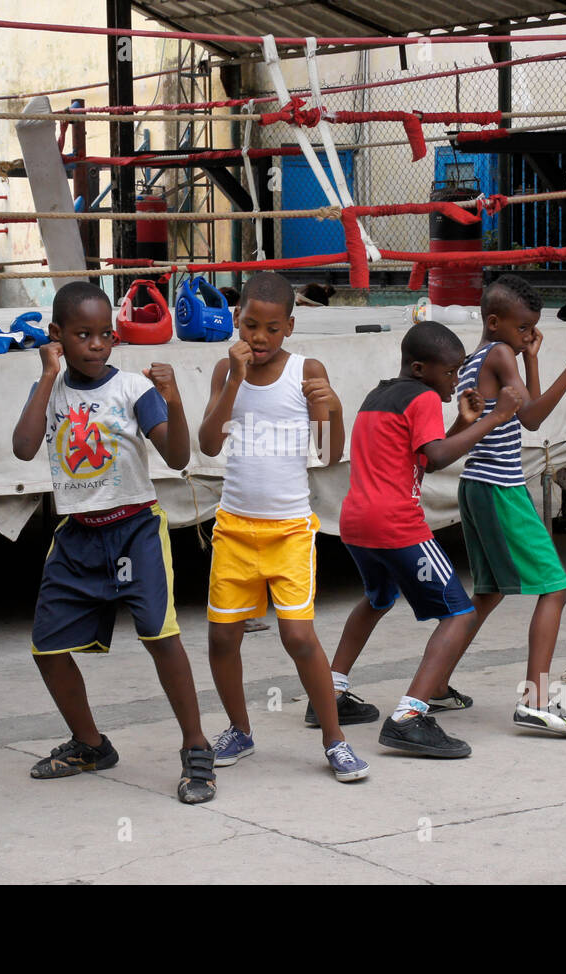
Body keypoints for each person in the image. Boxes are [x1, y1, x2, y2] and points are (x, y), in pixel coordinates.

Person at [12, 281, 216, 803]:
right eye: (83, 335)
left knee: (159, 635)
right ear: (56, 336)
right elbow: (23, 447)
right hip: (78, 536)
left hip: (134, 530)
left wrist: (172, 399)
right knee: (47, 647)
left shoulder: (131, 389)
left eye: (105, 334)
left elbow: (175, 457)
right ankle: (90, 743)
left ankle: (196, 746)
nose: (97, 344)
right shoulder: (51, 389)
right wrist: (46, 376)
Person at [197, 272, 368, 782]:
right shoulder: (224, 373)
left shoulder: (305, 371)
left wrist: (333, 409)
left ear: (290, 327)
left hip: (290, 529)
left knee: (298, 637)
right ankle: (240, 728)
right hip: (233, 528)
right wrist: (232, 381)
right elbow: (208, 444)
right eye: (250, 326)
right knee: (222, 639)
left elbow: (328, 453)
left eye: (272, 328)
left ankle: (335, 739)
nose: (260, 339)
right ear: (236, 321)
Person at [327, 321, 523, 757]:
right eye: (451, 372)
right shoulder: (424, 396)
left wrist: (460, 423)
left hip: (357, 522)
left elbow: (423, 458)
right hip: (397, 524)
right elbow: (436, 457)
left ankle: (331, 690)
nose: (455, 381)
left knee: (377, 599)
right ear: (419, 368)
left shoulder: (378, 395)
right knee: (458, 614)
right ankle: (411, 716)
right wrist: (495, 417)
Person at [450, 274, 566, 737]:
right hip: (500, 487)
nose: (529, 336)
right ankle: (536, 700)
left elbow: (526, 413)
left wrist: (531, 358)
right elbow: (533, 416)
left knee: (488, 593)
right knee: (555, 587)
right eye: (523, 330)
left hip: (476, 485)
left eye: (533, 329)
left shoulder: (480, 357)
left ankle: (433, 684)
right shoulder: (497, 354)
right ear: (495, 323)